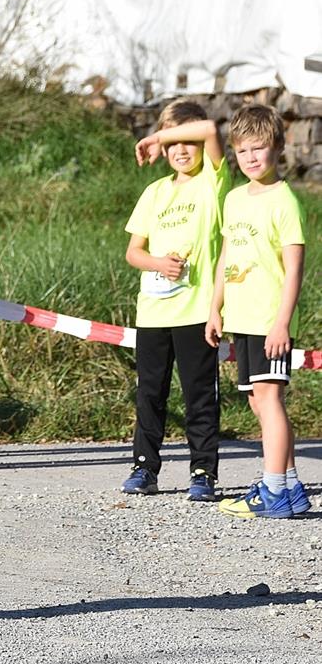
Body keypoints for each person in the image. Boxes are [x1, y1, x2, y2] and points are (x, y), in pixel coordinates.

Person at [119, 100, 227, 501]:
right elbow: (134, 252)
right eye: (172, 143)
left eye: (187, 141)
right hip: (153, 310)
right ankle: (144, 468)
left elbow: (213, 130)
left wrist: (160, 134)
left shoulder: (212, 182)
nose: (181, 150)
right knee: (150, 392)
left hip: (196, 310)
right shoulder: (154, 191)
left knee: (198, 394)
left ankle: (203, 472)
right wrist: (158, 263)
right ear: (164, 152)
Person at [208, 104, 310, 519]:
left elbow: (294, 269)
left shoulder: (284, 201)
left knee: (270, 399)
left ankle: (272, 491)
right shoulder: (233, 199)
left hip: (271, 320)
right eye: (244, 150)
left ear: (279, 148)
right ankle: (290, 487)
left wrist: (282, 322)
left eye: (261, 149)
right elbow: (226, 254)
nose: (252, 158)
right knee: (255, 400)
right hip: (241, 317)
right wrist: (215, 308)